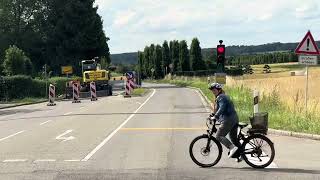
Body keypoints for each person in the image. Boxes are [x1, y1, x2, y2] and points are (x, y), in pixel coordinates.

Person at [208, 82, 240, 158]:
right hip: (233, 119)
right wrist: (213, 115)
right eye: (212, 90)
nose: (213, 91)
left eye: (214, 90)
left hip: (228, 119)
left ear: (219, 90)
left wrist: (215, 116)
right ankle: (241, 154)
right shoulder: (221, 97)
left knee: (219, 136)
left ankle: (232, 147)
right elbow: (219, 109)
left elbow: (222, 108)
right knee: (234, 139)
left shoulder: (221, 97)